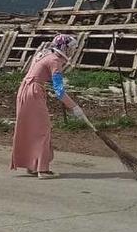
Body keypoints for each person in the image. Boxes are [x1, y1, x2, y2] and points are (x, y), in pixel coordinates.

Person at [12, 34, 85, 179]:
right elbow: (59, 90)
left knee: (31, 128)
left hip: (25, 90)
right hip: (34, 92)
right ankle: (43, 170)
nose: (73, 52)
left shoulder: (44, 55)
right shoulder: (55, 61)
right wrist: (74, 107)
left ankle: (33, 165)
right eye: (72, 48)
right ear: (65, 47)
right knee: (42, 129)